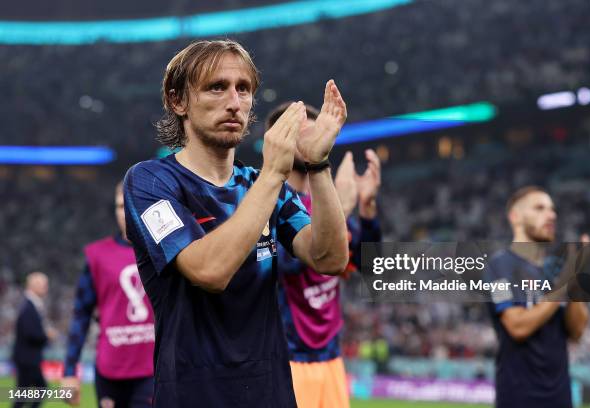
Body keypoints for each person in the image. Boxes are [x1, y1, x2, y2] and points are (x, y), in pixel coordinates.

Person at [123, 40, 349, 407]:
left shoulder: (261, 185)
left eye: (243, 89)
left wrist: (318, 165)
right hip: (193, 395)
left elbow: (330, 258)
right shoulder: (151, 181)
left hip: (271, 393)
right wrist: (275, 172)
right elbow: (208, 270)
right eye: (216, 87)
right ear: (178, 100)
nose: (234, 102)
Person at [266, 103, 382, 407]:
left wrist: (368, 210)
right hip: (288, 358)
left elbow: (370, 268)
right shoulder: (266, 203)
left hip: (331, 356)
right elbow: (288, 263)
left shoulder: (327, 205)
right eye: (304, 131)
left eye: (319, 132)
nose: (315, 139)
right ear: (279, 138)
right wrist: (341, 211)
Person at [485, 186, 590, 408]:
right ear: (515, 217)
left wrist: (574, 279)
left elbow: (577, 331)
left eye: (552, 209)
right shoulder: (499, 267)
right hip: (519, 398)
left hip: (560, 398)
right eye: (539, 208)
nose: (552, 215)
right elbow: (518, 327)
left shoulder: (554, 271)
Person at [61, 182, 154, 407]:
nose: (126, 212)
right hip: (109, 369)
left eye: (132, 204)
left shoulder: (163, 250)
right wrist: (70, 370)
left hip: (154, 368)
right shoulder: (97, 256)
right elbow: (81, 315)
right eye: (121, 206)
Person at [12, 272, 56, 408]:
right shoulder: (28, 306)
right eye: (44, 285)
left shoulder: (32, 305)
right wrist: (46, 336)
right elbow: (30, 333)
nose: (46, 288)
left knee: (25, 393)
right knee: (37, 390)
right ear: (34, 286)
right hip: (27, 358)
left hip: (27, 357)